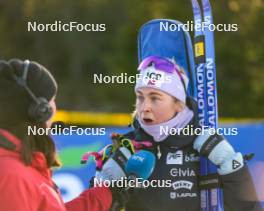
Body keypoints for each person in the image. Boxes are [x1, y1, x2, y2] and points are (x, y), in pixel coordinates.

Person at [117, 56, 263, 211]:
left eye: (154, 98)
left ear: (179, 104)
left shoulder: (204, 144)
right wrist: (105, 187)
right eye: (140, 97)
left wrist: (232, 166)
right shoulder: (128, 146)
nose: (144, 106)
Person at [0, 59, 123, 211]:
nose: (55, 108)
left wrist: (106, 195)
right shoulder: (12, 176)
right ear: (39, 110)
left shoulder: (21, 167)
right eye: (52, 100)